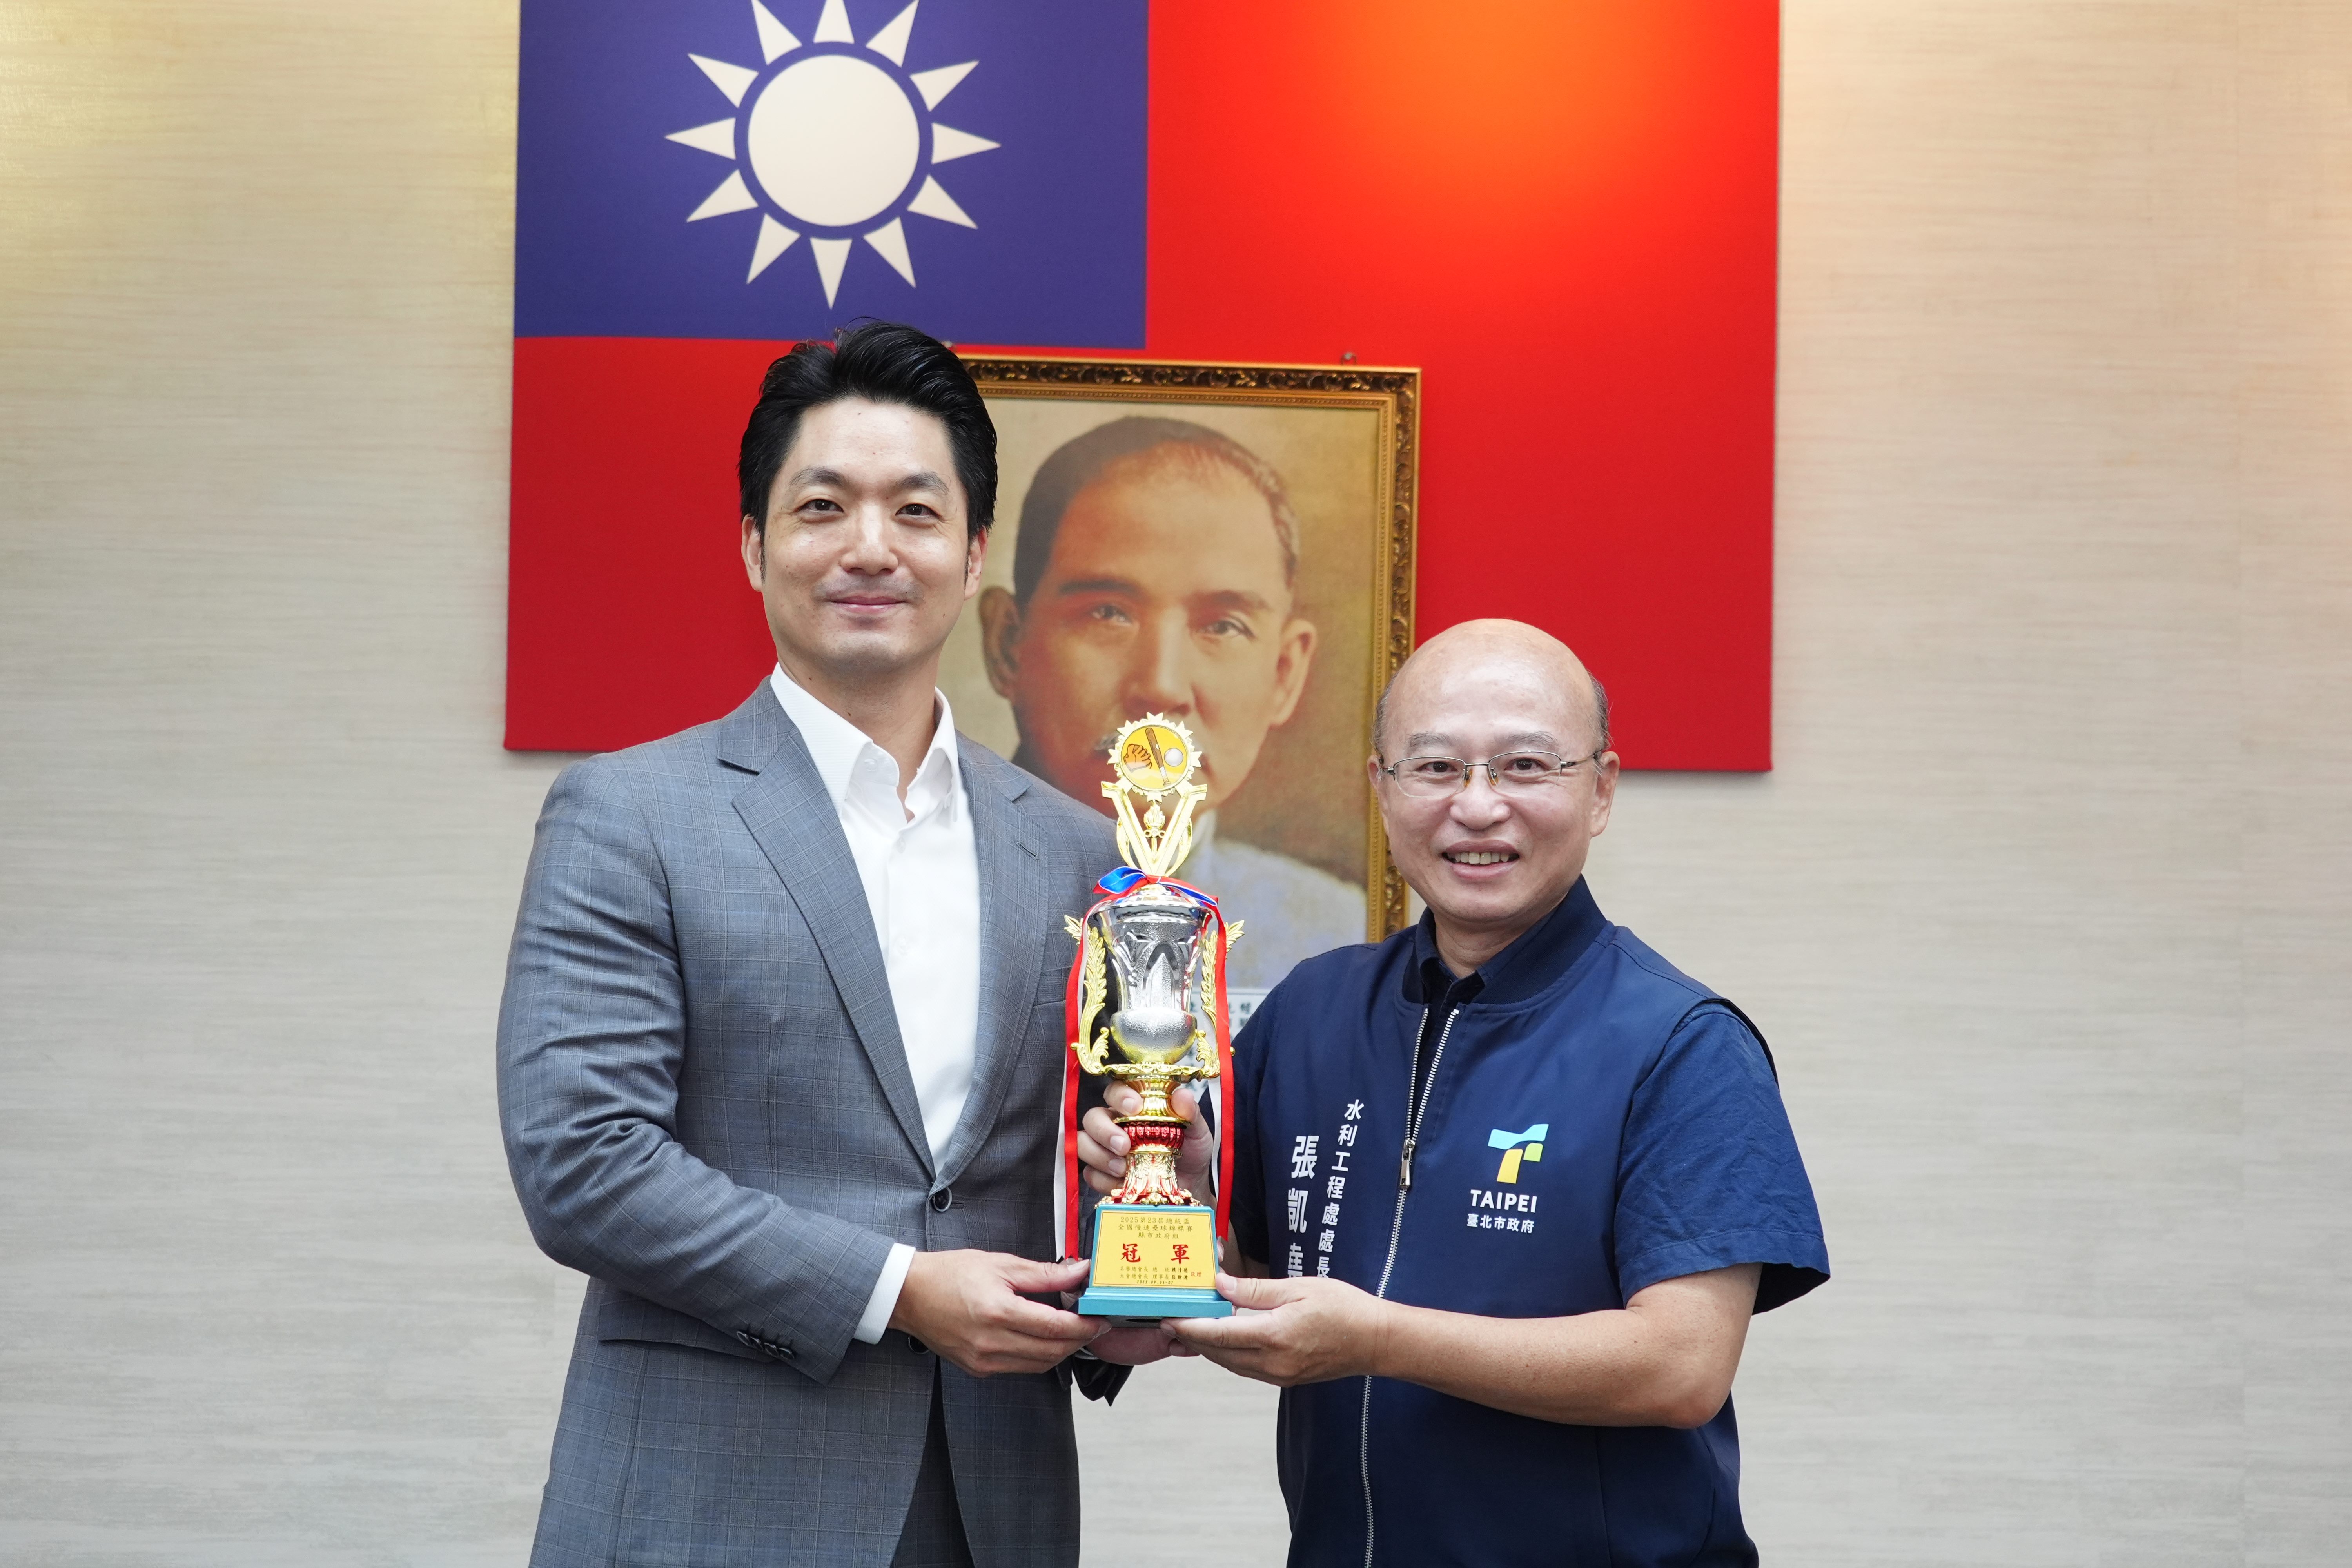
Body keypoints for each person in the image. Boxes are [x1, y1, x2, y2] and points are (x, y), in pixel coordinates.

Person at [498, 322, 1170, 1568]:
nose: (871, 547)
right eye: (823, 507)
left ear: (973, 554)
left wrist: (1126, 1286)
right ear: (755, 546)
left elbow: (1093, 1156)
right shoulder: (630, 815)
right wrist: (901, 1291)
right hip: (714, 1500)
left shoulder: (1083, 852)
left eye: (917, 511)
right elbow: (583, 1163)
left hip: (993, 1502)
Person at [1080, 619, 1830, 1566]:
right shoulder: (1312, 1009)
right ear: (1381, 787)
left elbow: (1681, 1366)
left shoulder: (1682, 1042)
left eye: (1525, 766)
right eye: (1435, 767)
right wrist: (1184, 1200)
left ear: (1601, 789)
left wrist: (1379, 1339)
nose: (1477, 806)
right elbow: (1266, 1279)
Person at [976, 417, 1362, 988]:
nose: (1161, 687)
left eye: (1222, 626)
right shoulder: (920, 890)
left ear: (1285, 673)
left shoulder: (1338, 934)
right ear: (1008, 645)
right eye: (1108, 614)